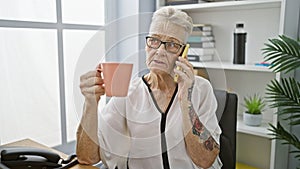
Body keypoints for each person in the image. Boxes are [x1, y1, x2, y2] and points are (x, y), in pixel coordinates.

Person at [76, 6, 222, 169]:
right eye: (154, 40)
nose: (159, 51)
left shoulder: (201, 89)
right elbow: (87, 157)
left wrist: (185, 99)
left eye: (172, 44)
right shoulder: (128, 91)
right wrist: (90, 102)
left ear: (183, 53)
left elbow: (205, 160)